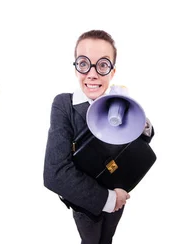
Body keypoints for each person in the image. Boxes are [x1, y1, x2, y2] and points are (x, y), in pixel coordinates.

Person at [43, 29, 155, 244]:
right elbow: (54, 174)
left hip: (119, 189)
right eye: (84, 64)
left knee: (108, 239)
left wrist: (141, 123)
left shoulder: (119, 102)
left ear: (112, 72)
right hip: (87, 201)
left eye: (102, 65)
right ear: (75, 67)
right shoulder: (64, 104)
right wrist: (110, 199)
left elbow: (135, 145)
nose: (92, 74)